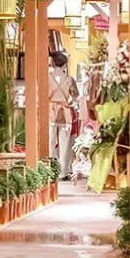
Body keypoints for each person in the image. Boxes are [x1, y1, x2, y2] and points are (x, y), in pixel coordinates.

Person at [49, 48, 78, 182]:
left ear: (53, 63)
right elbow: (75, 95)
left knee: (50, 142)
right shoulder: (69, 79)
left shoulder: (47, 78)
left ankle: (49, 170)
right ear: (65, 64)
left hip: (51, 111)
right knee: (65, 143)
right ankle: (63, 172)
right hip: (65, 113)